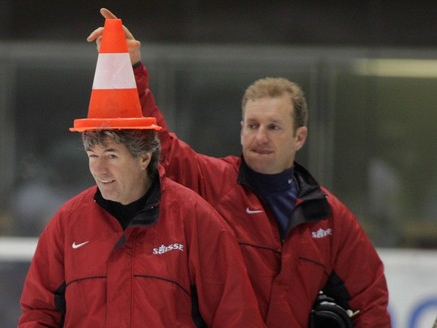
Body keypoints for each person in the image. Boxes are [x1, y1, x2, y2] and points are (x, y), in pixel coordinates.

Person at [87, 8, 391, 328]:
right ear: (241, 128)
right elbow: (162, 146)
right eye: (252, 125)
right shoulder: (214, 183)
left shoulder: (327, 216)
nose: (260, 137)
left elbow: (371, 298)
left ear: (299, 136)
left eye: (274, 127)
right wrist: (131, 66)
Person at [18, 16, 265, 328]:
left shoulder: (195, 220)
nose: (99, 167)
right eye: (92, 154)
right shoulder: (67, 224)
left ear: (145, 156)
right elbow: (39, 314)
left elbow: (236, 317)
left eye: (111, 155)